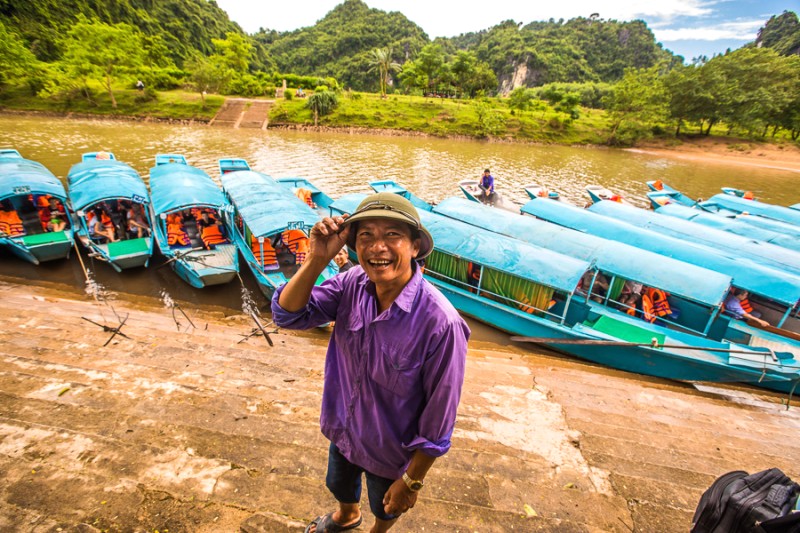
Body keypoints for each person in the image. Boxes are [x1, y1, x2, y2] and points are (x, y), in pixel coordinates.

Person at [269, 192, 469, 533]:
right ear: (354, 246)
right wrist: (317, 260)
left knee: (386, 506)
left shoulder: (441, 324)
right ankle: (347, 516)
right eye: (367, 236)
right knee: (340, 486)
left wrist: (412, 480)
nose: (378, 247)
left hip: (390, 451)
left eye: (393, 235)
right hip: (343, 429)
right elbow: (287, 315)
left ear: (415, 247)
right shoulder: (351, 284)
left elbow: (439, 419)